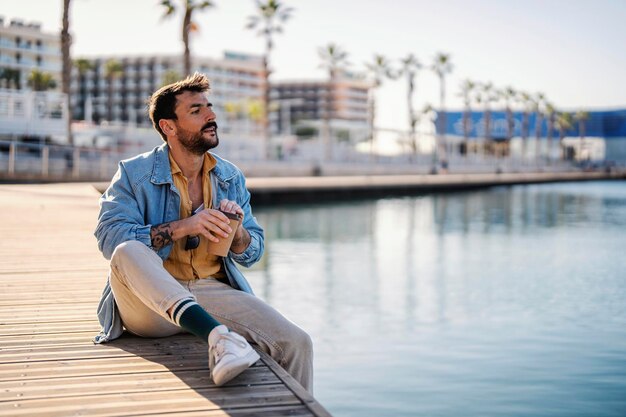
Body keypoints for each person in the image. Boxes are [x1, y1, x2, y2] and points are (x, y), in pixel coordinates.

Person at [93, 73, 313, 391]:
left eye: (209, 107)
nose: (211, 116)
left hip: (211, 290)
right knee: (127, 250)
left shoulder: (229, 175)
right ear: (168, 126)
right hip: (149, 305)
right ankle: (219, 338)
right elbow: (109, 239)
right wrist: (185, 226)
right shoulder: (134, 173)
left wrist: (236, 233)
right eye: (196, 111)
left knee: (296, 342)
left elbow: (254, 250)